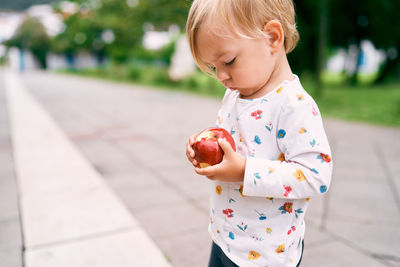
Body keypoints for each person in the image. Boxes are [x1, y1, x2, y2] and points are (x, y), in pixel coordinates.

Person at [185, 0, 333, 266]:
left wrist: (244, 171)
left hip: (265, 255)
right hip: (224, 237)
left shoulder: (293, 105)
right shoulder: (235, 94)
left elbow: (315, 176)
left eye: (228, 61)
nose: (221, 76)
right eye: (212, 67)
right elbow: (232, 141)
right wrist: (205, 146)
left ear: (272, 38)